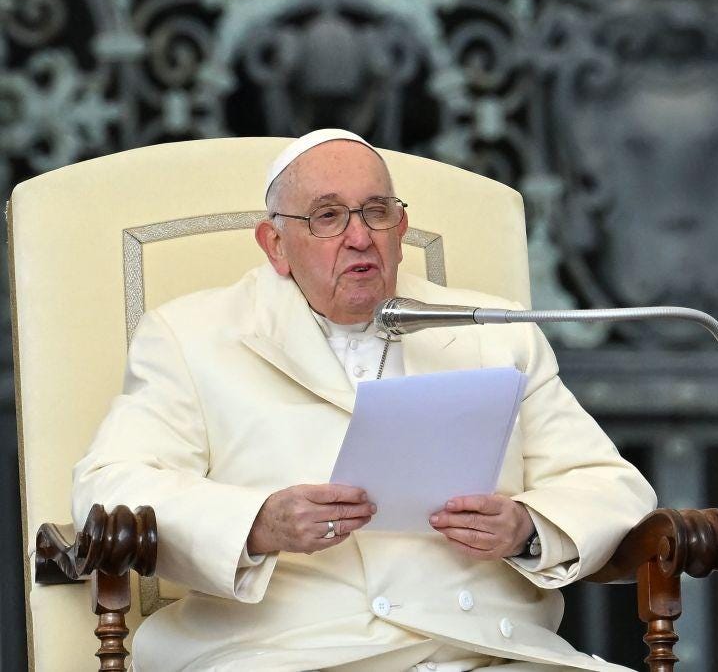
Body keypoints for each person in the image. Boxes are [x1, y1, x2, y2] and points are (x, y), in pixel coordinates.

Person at [72, 129, 657, 671]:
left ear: (401, 230)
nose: (360, 236)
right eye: (328, 217)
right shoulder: (191, 335)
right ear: (275, 244)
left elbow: (610, 484)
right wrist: (257, 523)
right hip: (290, 654)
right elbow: (108, 486)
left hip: (483, 649)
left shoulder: (494, 332)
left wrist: (528, 528)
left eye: (377, 212)